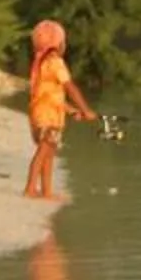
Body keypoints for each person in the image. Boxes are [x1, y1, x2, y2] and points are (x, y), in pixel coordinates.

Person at [23, 18, 97, 201]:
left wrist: (71, 111)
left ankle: (46, 191)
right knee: (43, 152)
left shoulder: (38, 63)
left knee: (49, 152)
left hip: (40, 113)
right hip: (49, 116)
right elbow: (69, 86)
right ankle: (30, 189)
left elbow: (51, 95)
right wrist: (85, 109)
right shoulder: (56, 62)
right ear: (58, 42)